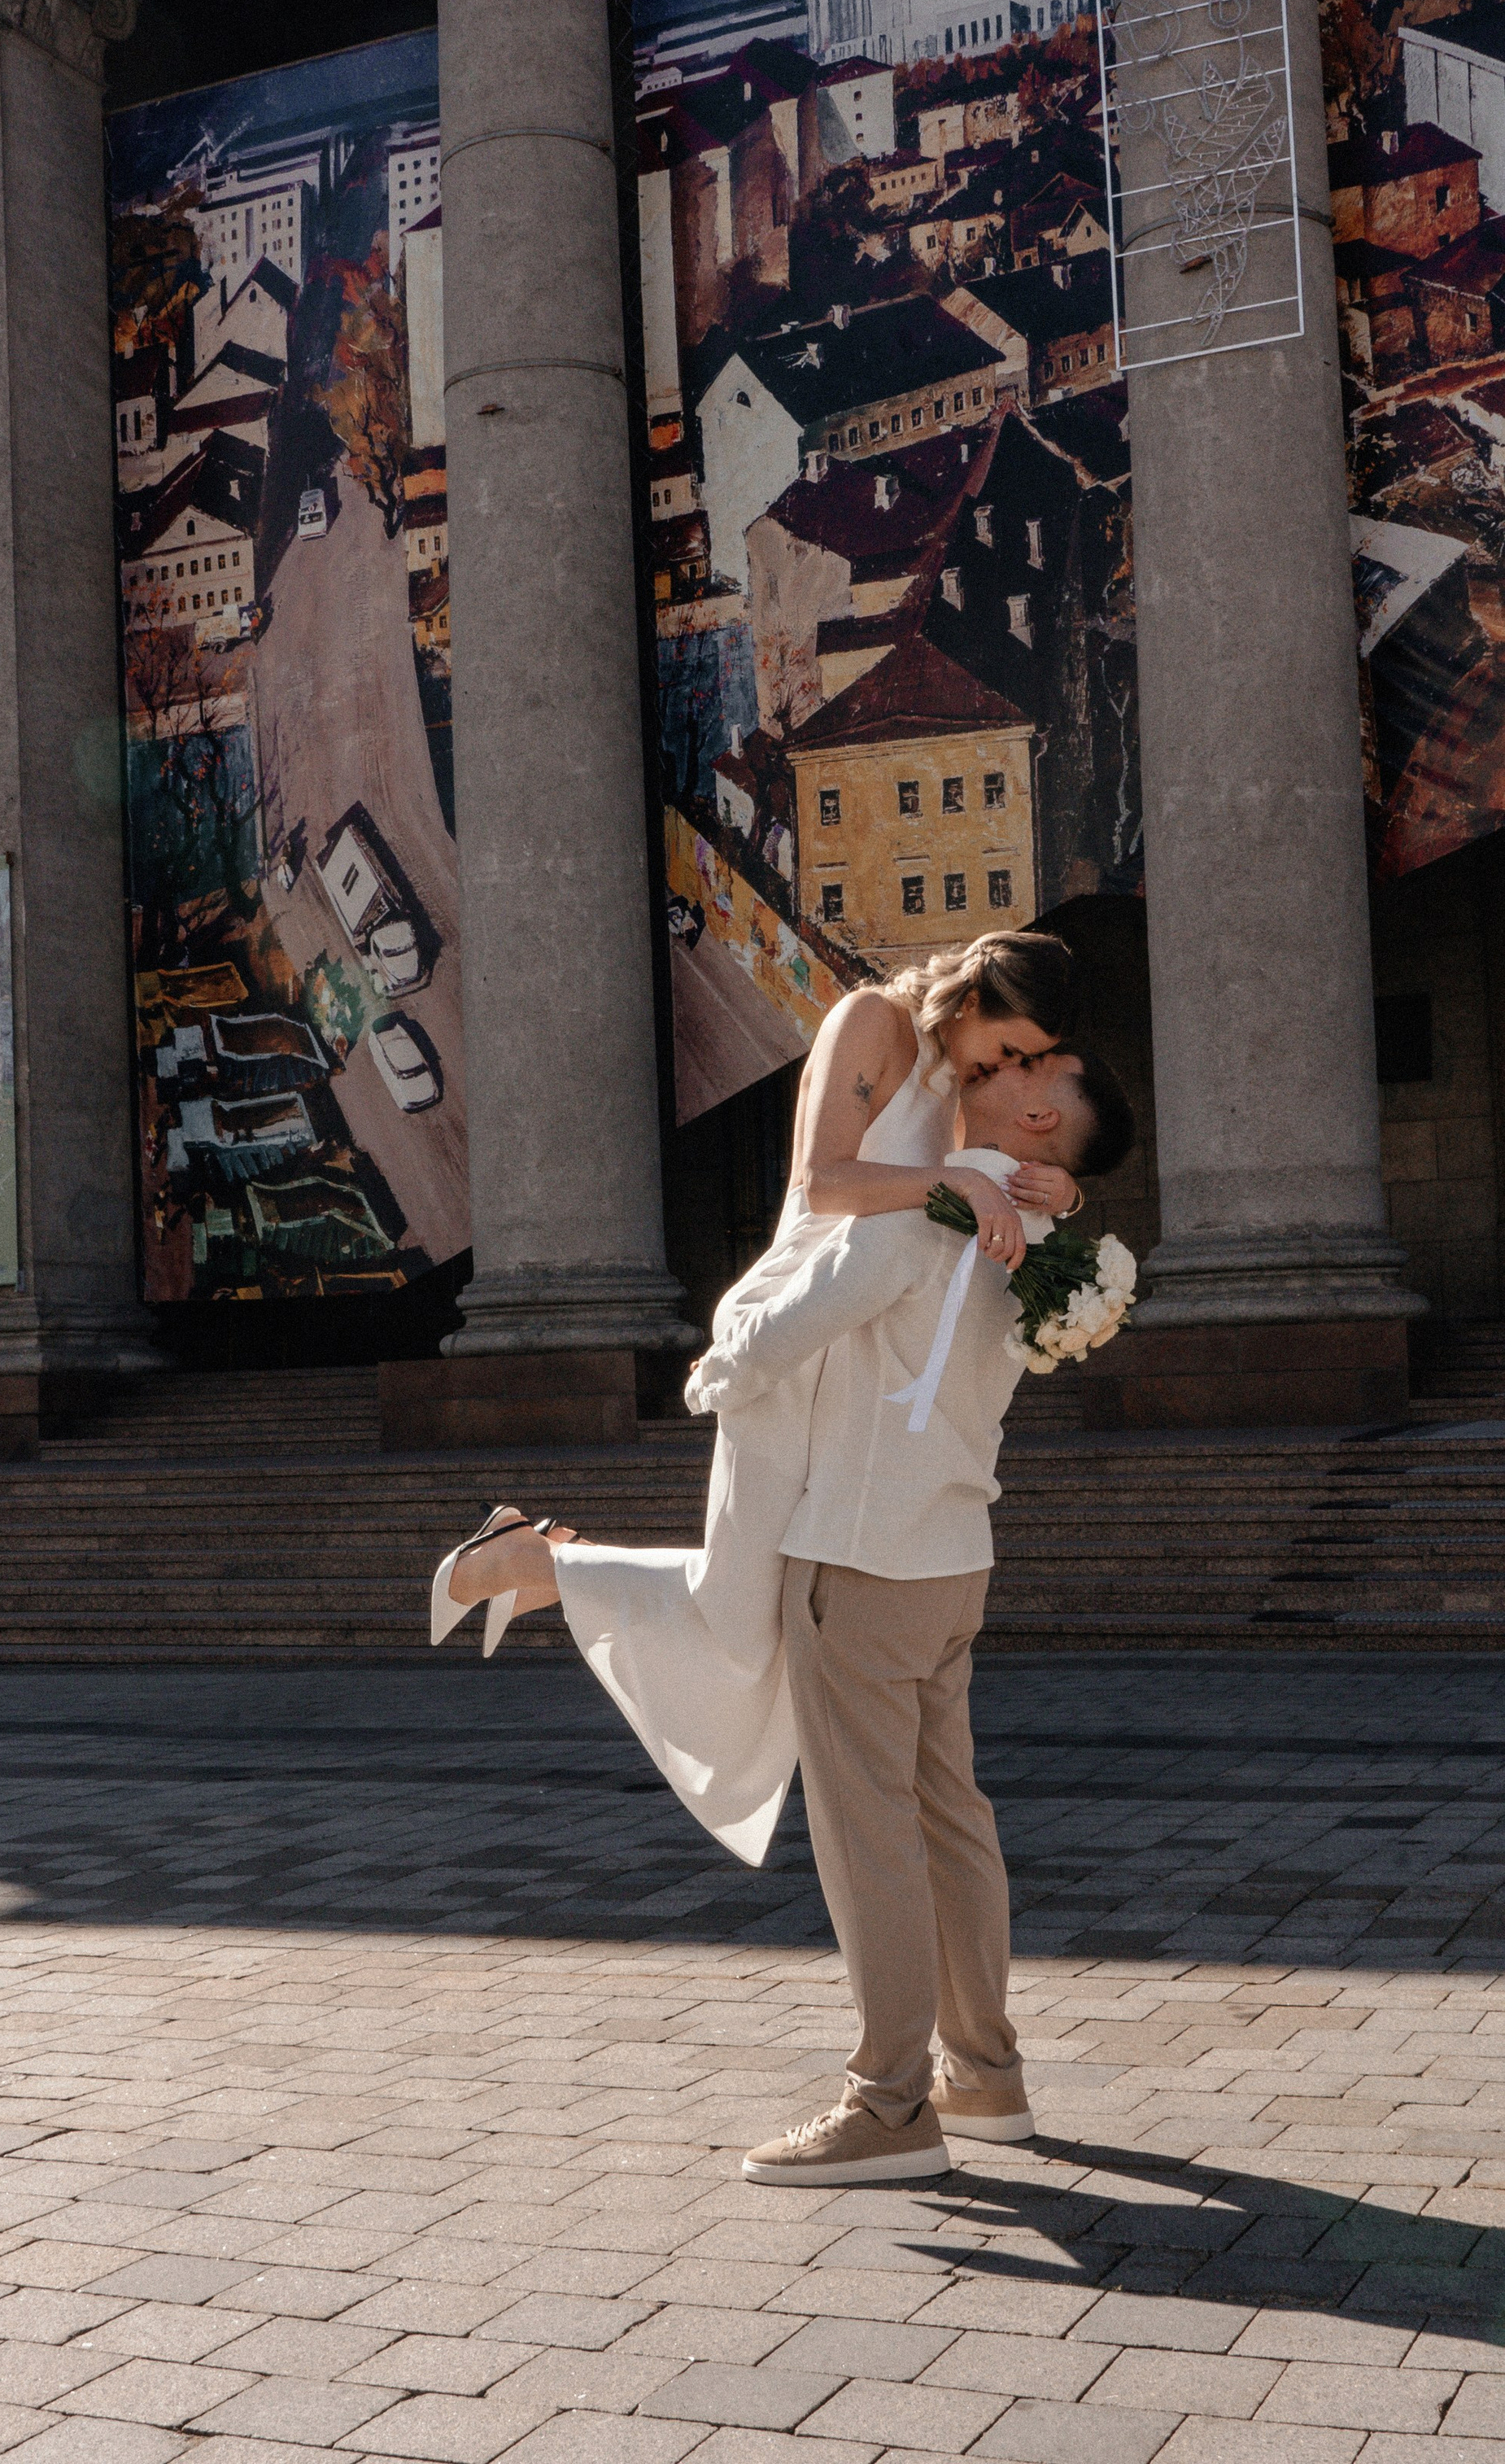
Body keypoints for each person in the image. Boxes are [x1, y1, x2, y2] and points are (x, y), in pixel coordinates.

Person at [433, 1034, 1137, 2187]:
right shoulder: (1055, 1238)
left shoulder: (931, 1221)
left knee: (870, 1845)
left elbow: (784, 1329)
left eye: (1035, 1063)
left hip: (859, 1564)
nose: (1005, 1059)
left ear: (1046, 1124)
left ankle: (889, 2105)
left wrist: (721, 1355)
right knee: (951, 1817)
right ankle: (986, 2073)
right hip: (956, 1558)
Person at [435, 931, 1092, 1855]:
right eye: (1010, 1045)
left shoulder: (960, 1075)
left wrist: (1059, 1196)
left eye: (1028, 1059)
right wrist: (945, 1177)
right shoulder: (872, 1021)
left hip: (858, 1381)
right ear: (974, 995)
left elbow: (990, 1179)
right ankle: (525, 1555)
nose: (1011, 1066)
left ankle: (537, 1561)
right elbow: (822, 1184)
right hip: (784, 1344)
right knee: (738, 1623)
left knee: (758, 1629)